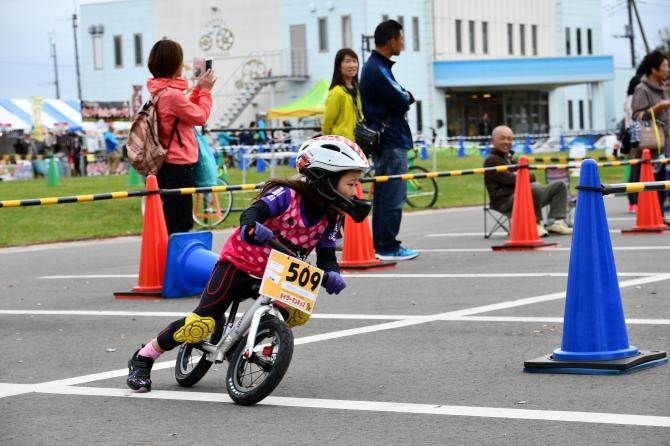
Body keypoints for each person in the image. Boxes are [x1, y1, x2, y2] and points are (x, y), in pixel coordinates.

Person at [126, 136, 371, 392]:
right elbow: (253, 213)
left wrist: (332, 273)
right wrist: (251, 227)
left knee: (297, 311)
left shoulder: (331, 216)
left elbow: (327, 254)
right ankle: (144, 357)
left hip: (279, 273)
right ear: (325, 177)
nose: (355, 191)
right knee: (199, 325)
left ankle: (246, 339)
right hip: (239, 264)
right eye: (351, 183)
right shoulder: (287, 195)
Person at [360, 19, 418, 261]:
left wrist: (404, 95)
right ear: (392, 40)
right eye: (401, 38)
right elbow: (402, 99)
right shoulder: (377, 69)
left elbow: (403, 95)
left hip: (389, 139)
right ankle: (387, 246)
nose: (403, 43)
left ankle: (383, 244)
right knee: (392, 196)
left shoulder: (378, 67)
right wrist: (404, 96)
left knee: (385, 195)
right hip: (391, 140)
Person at [147, 39, 216, 235]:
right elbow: (200, 116)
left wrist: (197, 89)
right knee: (180, 224)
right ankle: (175, 264)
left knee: (173, 218)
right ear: (174, 64)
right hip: (178, 166)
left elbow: (188, 112)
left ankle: (170, 261)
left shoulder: (161, 92)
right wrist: (205, 91)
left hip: (168, 165)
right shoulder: (171, 96)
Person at [484, 125, 572, 236]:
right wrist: (520, 176)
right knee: (533, 187)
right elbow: (513, 179)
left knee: (559, 185)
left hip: (523, 196)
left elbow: (528, 176)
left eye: (509, 139)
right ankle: (535, 224)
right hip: (505, 202)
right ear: (493, 141)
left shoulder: (511, 158)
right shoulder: (491, 161)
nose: (506, 141)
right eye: (502, 138)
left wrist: (520, 176)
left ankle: (554, 222)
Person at [630, 50, 670, 217]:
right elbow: (636, 115)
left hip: (664, 143)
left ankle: (659, 215)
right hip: (651, 146)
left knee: (662, 180)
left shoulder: (662, 88)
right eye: (664, 66)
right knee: (654, 181)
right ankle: (655, 215)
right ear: (654, 70)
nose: (667, 70)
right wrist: (658, 108)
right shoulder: (642, 89)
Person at [322, 48, 362, 142]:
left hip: (358, 142)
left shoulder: (358, 90)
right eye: (347, 61)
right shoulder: (337, 92)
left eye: (354, 61)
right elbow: (328, 122)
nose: (352, 65)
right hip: (341, 143)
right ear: (339, 66)